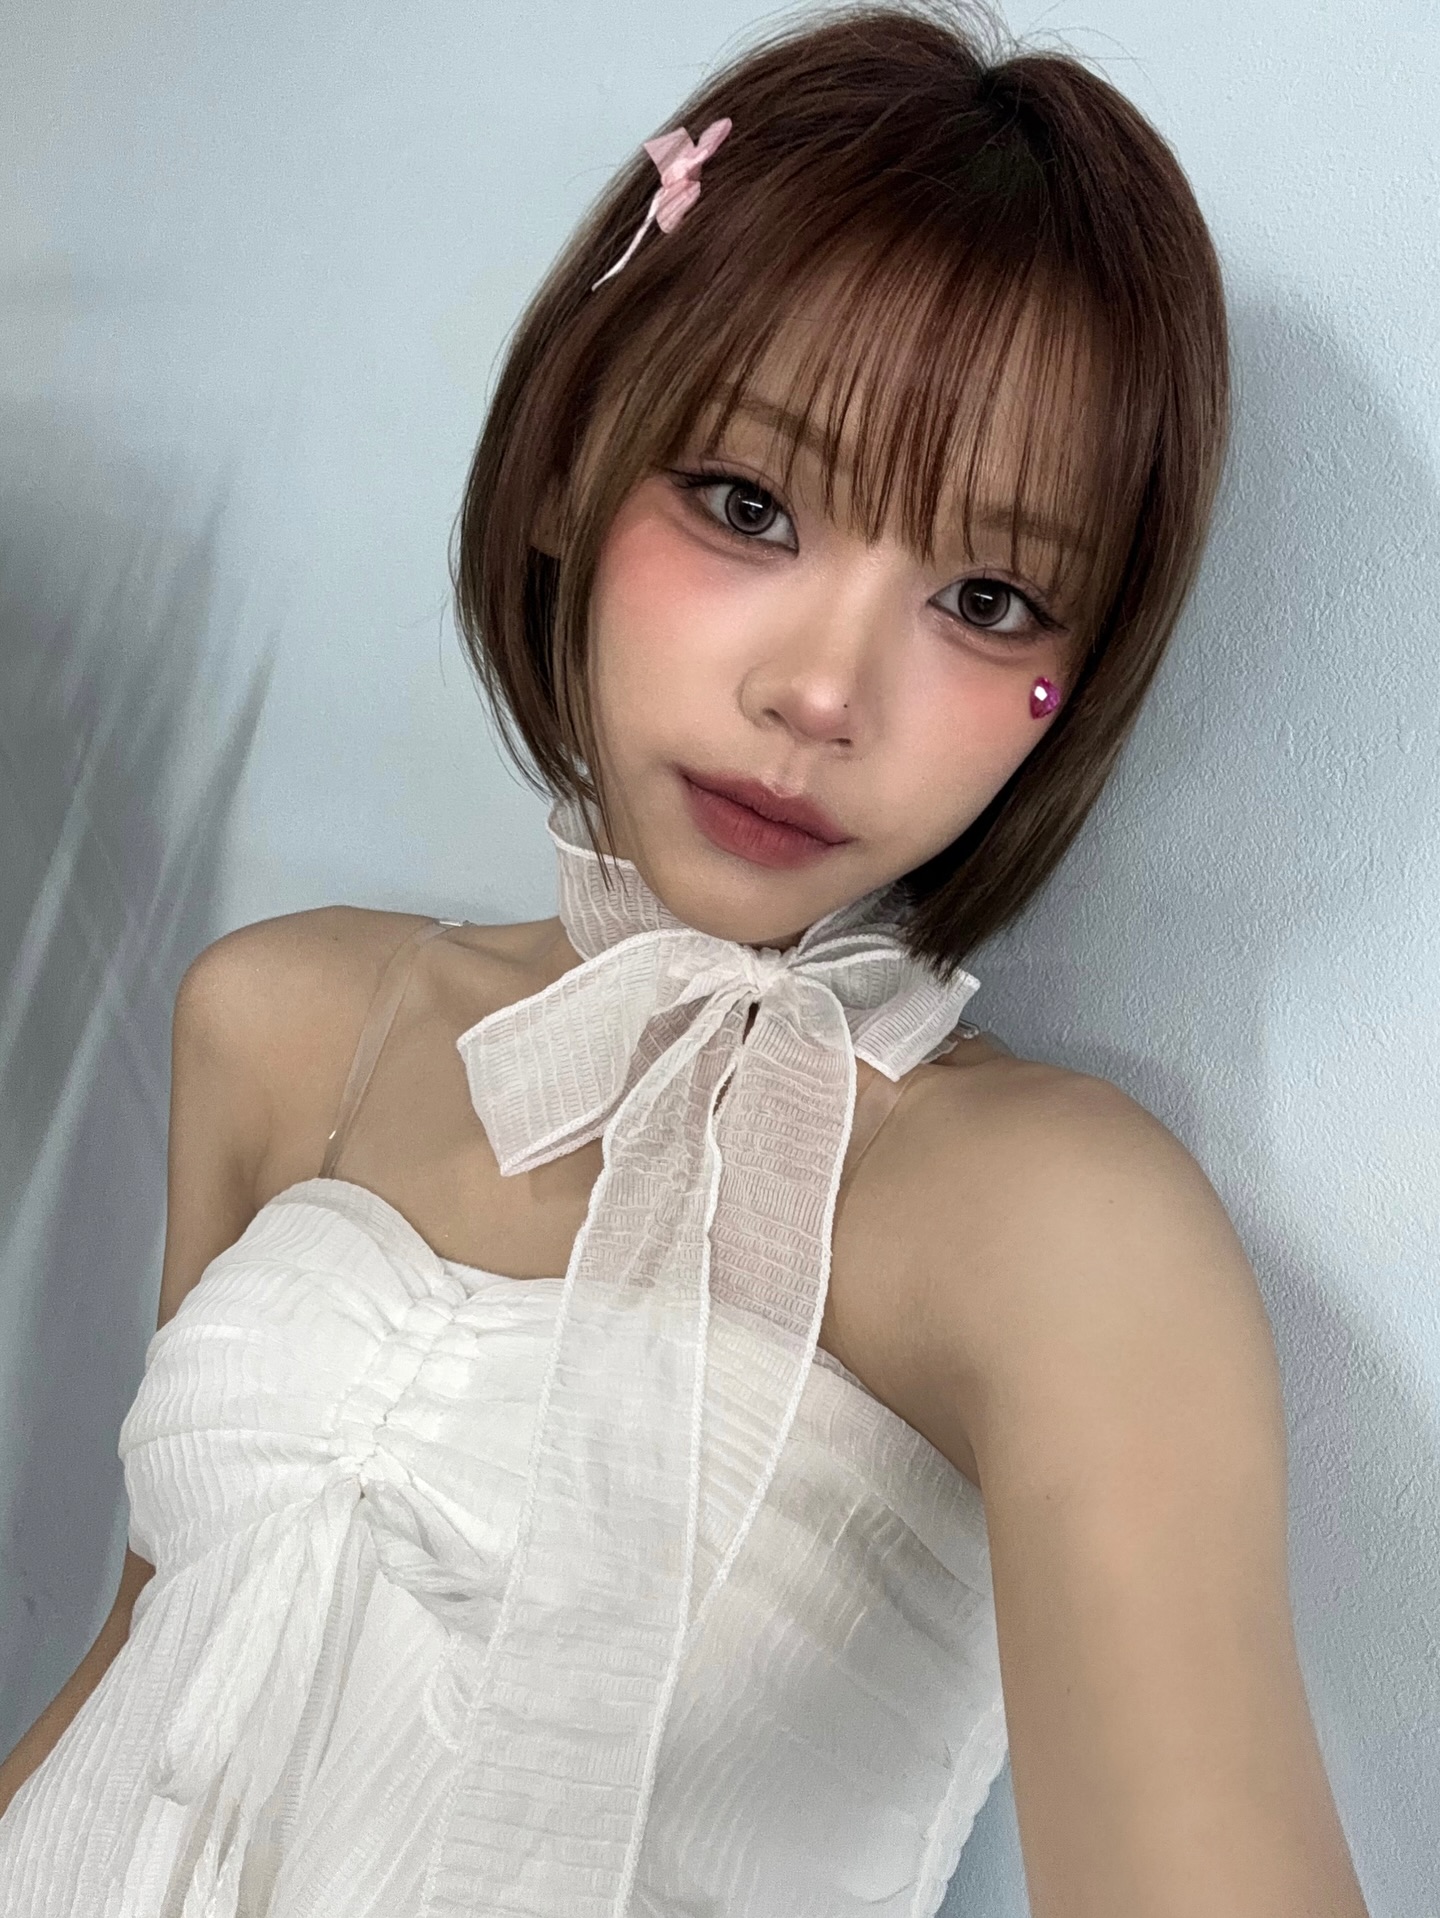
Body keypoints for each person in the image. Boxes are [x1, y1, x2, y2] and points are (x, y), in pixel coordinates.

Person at [0, 3, 1371, 1914]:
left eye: (988, 600)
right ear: (577, 457)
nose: (823, 692)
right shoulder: (283, 1020)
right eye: (748, 503)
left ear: (1077, 684)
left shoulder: (1057, 1225)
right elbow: (149, 1668)